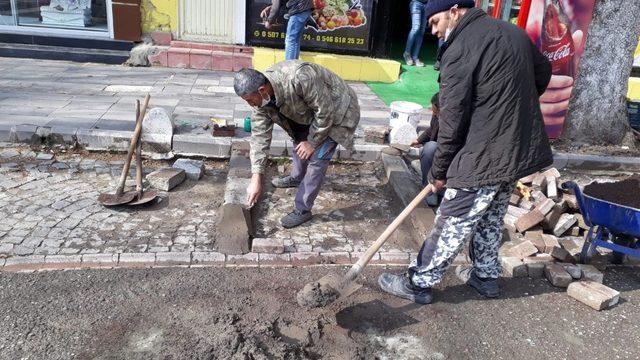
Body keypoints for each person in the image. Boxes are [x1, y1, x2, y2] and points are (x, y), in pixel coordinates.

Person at [378, 0, 553, 304]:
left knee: (453, 219)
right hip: (515, 149)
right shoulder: (514, 33)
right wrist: (509, 107)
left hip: (484, 151)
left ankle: (419, 282)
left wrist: (439, 170)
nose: (433, 31)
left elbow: (452, 117)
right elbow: (543, 73)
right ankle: (486, 278)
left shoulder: (459, 50)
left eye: (435, 22)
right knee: (492, 216)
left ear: (455, 11)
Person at [233, 61, 360, 228]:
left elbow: (325, 112)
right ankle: (297, 177)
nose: (250, 104)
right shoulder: (262, 101)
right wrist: (256, 176)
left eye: (249, 100)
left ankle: (303, 209)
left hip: (338, 111)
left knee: (317, 157)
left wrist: (313, 143)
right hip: (309, 113)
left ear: (262, 90)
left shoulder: (300, 77)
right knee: (300, 139)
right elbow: (259, 137)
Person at [410, 92, 441, 206]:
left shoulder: (453, 122)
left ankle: (433, 190)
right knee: (429, 147)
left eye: (435, 111)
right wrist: (419, 140)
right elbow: (432, 129)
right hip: (440, 149)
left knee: (429, 148)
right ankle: (428, 188)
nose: (433, 113)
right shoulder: (436, 116)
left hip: (450, 151)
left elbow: (449, 145)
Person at [403, 0, 430, 67]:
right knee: (416, 28)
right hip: (416, 3)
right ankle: (407, 53)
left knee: (421, 31)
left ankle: (415, 57)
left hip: (426, 5)